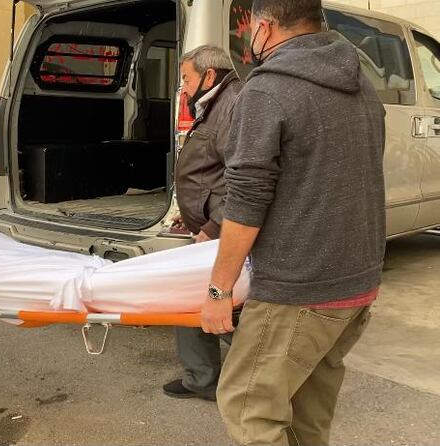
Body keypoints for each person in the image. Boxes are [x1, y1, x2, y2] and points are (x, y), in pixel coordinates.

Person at [202, 1, 386, 444]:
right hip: (356, 284)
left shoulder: (268, 90)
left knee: (249, 406)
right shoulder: (362, 85)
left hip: (300, 289)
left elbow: (247, 199)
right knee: (307, 414)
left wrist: (218, 290)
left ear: (264, 27)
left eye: (249, 29)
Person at [163, 45, 242, 402]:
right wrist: (192, 212)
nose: (182, 86)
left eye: (186, 78)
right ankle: (202, 378)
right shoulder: (214, 102)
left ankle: (265, 375)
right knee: (194, 299)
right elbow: (209, 172)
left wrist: (214, 224)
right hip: (208, 226)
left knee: (225, 306)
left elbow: (243, 180)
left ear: (208, 75)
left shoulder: (232, 105)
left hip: (224, 230)